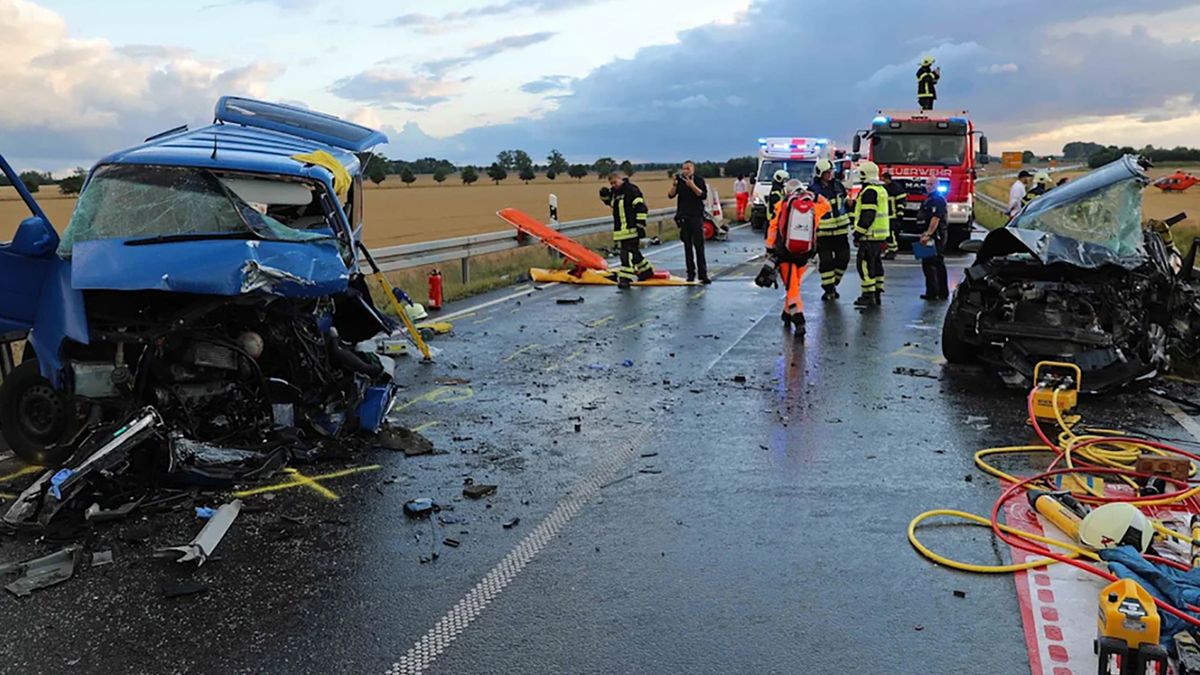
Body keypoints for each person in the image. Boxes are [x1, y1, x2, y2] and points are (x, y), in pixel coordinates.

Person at [766, 180, 830, 336]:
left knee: (792, 288)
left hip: (784, 253)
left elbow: (773, 227)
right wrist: (815, 196)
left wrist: (769, 249)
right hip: (803, 254)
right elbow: (827, 205)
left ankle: (798, 318)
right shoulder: (812, 207)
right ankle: (787, 314)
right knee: (794, 284)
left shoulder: (783, 205)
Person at [599, 171, 653, 289]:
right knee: (634, 252)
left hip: (632, 228)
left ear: (620, 179)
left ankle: (625, 278)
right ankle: (646, 270)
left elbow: (641, 207)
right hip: (621, 229)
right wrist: (603, 195)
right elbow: (610, 202)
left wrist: (640, 225)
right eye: (611, 183)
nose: (613, 185)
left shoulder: (631, 190)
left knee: (625, 253)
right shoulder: (615, 193)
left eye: (615, 182)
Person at [808, 159, 850, 301]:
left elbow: (845, 204)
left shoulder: (838, 186)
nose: (829, 175)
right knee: (826, 262)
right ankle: (829, 289)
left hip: (840, 231)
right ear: (820, 173)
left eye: (830, 172)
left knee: (844, 259)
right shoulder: (813, 190)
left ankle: (834, 282)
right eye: (827, 173)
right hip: (823, 233)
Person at [851, 161, 891, 308]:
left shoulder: (869, 191)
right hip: (880, 235)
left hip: (869, 235)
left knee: (865, 265)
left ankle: (868, 294)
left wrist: (857, 233)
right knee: (877, 264)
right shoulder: (881, 190)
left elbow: (868, 215)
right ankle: (877, 292)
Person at [668, 160, 711, 284]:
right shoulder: (680, 181)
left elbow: (702, 195)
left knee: (699, 246)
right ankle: (690, 274)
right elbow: (670, 195)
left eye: (688, 168)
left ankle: (703, 274)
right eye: (684, 169)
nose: (685, 171)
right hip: (684, 217)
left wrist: (692, 185)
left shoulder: (699, 180)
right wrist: (675, 184)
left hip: (696, 216)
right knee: (687, 247)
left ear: (693, 169)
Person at [917, 176, 949, 301]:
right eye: (927, 184)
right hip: (927, 234)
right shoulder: (929, 199)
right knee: (928, 263)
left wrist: (928, 234)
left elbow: (936, 218)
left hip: (935, 236)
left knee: (932, 263)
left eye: (931, 184)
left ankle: (935, 292)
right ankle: (935, 291)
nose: (928, 186)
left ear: (936, 185)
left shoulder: (938, 200)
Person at [880, 172, 904, 260]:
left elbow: (900, 202)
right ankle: (888, 251)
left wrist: (899, 214)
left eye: (883, 179)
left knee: (891, 234)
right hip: (886, 215)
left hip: (893, 216)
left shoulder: (895, 188)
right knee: (887, 234)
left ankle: (893, 250)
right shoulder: (886, 188)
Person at [766, 169, 788, 237]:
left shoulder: (779, 189)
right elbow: (777, 205)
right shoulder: (776, 191)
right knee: (773, 237)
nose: (785, 182)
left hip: (775, 217)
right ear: (779, 179)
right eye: (784, 180)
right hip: (773, 217)